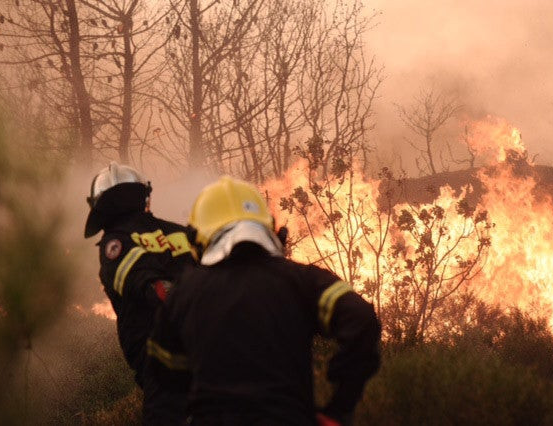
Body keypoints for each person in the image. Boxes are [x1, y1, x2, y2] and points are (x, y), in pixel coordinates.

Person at [148, 176, 380, 426]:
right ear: (272, 230)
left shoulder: (183, 295)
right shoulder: (302, 281)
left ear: (197, 237)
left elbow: (164, 389)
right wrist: (339, 408)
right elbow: (361, 319)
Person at [84, 162, 196, 424]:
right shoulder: (177, 231)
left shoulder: (115, 245)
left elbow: (146, 284)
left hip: (161, 359)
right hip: (209, 340)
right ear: (143, 194)